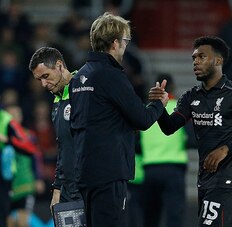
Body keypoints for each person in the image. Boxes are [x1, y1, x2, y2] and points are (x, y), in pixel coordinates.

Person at [149, 36, 232, 227]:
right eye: (194, 58)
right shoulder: (191, 96)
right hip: (205, 180)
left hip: (228, 180)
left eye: (201, 57)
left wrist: (226, 149)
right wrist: (159, 106)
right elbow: (168, 127)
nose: (195, 62)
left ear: (218, 60)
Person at [69, 12, 168, 227]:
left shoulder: (78, 78)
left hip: (84, 173)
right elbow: (142, 119)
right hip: (109, 173)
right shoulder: (112, 75)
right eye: (125, 41)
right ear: (115, 43)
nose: (125, 46)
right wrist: (159, 103)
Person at [28, 47, 83, 211]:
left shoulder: (85, 90)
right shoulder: (57, 102)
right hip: (69, 190)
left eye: (46, 76)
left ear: (59, 65)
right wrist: (57, 189)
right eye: (39, 80)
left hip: (90, 186)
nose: (44, 84)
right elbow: (64, 147)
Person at [141, 73, 189, 227]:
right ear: (173, 88)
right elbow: (192, 139)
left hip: (149, 169)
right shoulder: (179, 109)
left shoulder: (145, 110)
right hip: (173, 169)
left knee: (150, 217)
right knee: (174, 216)